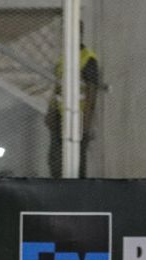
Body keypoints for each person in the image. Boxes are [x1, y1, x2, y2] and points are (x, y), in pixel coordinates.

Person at [46, 24, 100, 178]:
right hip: (60, 117)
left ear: (80, 33)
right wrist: (50, 110)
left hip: (78, 118)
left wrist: (86, 124)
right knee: (55, 161)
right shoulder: (63, 60)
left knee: (77, 163)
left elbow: (91, 93)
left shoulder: (88, 59)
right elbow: (57, 87)